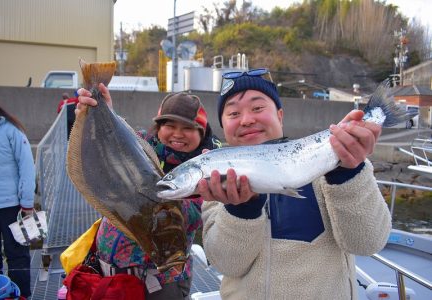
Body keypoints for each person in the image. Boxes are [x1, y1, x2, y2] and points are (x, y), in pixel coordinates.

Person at [198, 70, 392, 299]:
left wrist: (349, 173)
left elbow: (367, 243)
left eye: (258, 108)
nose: (247, 119)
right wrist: (240, 210)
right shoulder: (218, 188)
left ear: (280, 115)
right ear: (223, 126)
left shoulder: (330, 167)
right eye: (233, 113)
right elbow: (227, 265)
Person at [75, 84, 221, 300]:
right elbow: (106, 144)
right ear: (158, 127)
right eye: (170, 125)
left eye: (188, 128)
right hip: (108, 272)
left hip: (159, 283)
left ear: (202, 132)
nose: (178, 134)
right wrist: (100, 110)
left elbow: (189, 216)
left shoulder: (209, 170)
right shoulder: (140, 145)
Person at [0, 83, 36, 299]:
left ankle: (21, 295)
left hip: (11, 205)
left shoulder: (10, 130)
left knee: (17, 255)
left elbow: (26, 167)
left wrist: (27, 202)